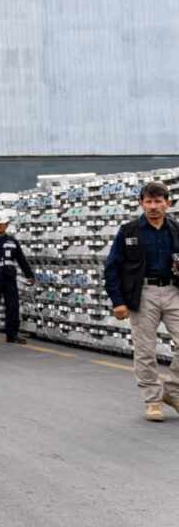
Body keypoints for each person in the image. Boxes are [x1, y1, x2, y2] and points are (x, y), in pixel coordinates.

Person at [103, 181, 179, 422]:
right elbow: (112, 267)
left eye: (158, 202)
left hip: (173, 291)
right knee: (146, 350)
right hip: (143, 294)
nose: (153, 206)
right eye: (148, 202)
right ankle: (152, 401)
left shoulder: (176, 229)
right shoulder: (129, 231)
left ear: (168, 203)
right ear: (141, 204)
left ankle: (173, 391)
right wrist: (118, 301)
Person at [0, 212, 36, 344]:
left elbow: (21, 259)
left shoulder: (12, 241)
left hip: (9, 279)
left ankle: (12, 335)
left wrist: (29, 275)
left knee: (13, 307)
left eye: (2, 224)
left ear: (7, 225)